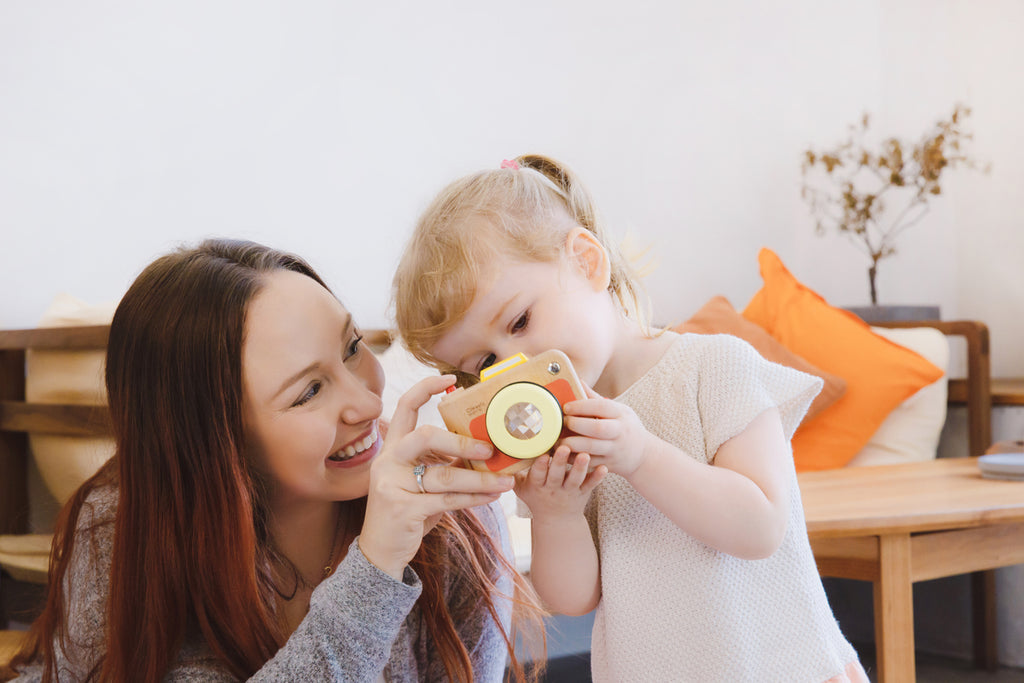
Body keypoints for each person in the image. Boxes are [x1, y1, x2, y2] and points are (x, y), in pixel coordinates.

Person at [392, 155, 868, 682]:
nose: (512, 366)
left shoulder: (712, 367)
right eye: (482, 365)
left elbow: (760, 529)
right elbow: (574, 598)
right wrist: (558, 516)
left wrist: (641, 456)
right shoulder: (554, 436)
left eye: (520, 321)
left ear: (587, 262)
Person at [2, 239, 543, 683]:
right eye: (308, 392)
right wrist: (375, 568)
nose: (369, 402)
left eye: (352, 347)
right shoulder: (121, 536)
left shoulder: (453, 519)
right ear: (216, 441)